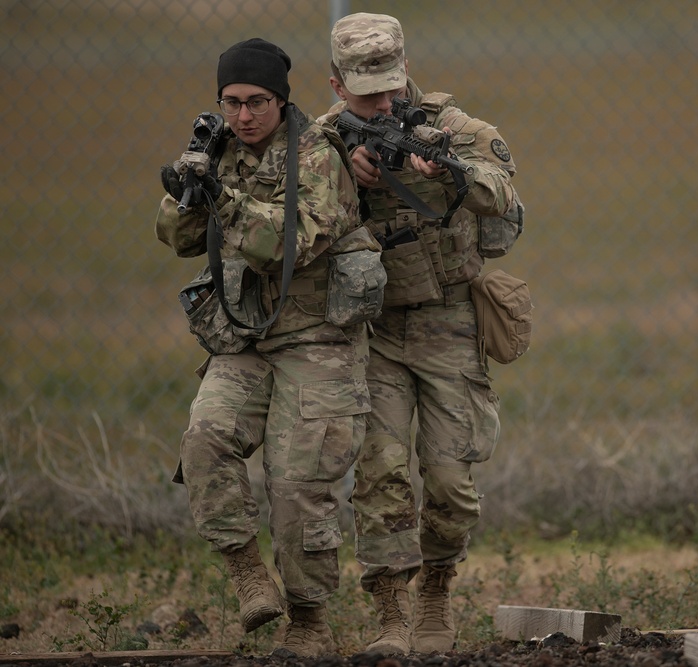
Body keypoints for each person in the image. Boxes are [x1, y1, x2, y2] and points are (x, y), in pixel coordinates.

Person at [156, 37, 380, 658]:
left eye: (257, 102)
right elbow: (175, 237)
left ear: (281, 101)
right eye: (231, 102)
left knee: (299, 485)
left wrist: (222, 200)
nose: (244, 116)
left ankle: (308, 619)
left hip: (317, 339)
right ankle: (246, 573)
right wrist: (188, 189)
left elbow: (286, 245)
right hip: (246, 340)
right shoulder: (219, 149)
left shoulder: (316, 154)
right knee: (205, 438)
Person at [319, 12, 521, 655]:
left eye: (390, 87)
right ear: (336, 84)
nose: (381, 103)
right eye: (365, 92)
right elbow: (286, 210)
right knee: (380, 473)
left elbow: (504, 194)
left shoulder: (456, 132)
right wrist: (344, 175)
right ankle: (392, 617)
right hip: (370, 328)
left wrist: (445, 176)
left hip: (448, 320)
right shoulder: (319, 142)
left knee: (451, 482)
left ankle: (437, 585)